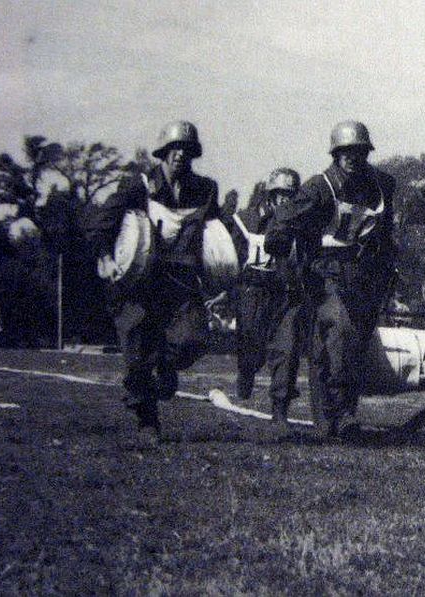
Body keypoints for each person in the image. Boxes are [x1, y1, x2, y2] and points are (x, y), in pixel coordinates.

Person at [82, 120, 221, 443]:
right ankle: (147, 422)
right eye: (173, 149)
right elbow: (103, 221)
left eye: (185, 150)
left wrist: (221, 274)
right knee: (136, 357)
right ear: (162, 153)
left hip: (182, 284)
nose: (178, 156)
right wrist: (104, 256)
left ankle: (167, 367)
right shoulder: (139, 186)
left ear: (193, 155)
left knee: (193, 340)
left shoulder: (205, 190)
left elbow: (218, 234)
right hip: (140, 283)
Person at [264, 121, 397, 438]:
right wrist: (279, 242)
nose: (352, 158)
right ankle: (341, 412)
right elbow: (283, 219)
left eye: (359, 152)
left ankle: (333, 419)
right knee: (340, 330)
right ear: (336, 154)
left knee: (346, 345)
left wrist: (388, 265)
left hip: (362, 277)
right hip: (324, 276)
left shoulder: (379, 187)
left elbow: (386, 231)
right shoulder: (318, 187)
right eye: (345, 152)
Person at [224, 167, 308, 435]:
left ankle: (280, 410)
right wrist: (228, 290)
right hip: (252, 291)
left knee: (287, 349)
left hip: (284, 293)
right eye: (280, 194)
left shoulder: (300, 223)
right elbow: (231, 256)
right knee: (251, 346)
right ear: (270, 194)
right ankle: (246, 371)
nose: (285, 199)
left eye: (290, 194)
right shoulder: (245, 220)